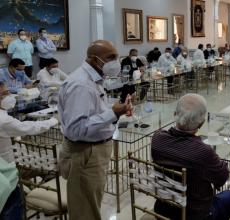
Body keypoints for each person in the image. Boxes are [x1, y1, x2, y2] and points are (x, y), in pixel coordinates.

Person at [58, 40, 132, 220]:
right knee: (85, 210)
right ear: (93, 59)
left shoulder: (94, 78)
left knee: (90, 202)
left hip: (92, 152)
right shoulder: (82, 85)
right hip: (85, 153)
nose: (116, 62)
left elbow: (92, 111)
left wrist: (115, 109)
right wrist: (112, 113)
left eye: (117, 57)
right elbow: (76, 129)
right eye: (111, 57)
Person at [152, 94, 230, 220]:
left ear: (174, 114)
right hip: (194, 214)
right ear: (201, 123)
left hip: (163, 209)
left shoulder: (157, 139)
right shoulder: (203, 152)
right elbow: (222, 178)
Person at [0, 81, 58, 163]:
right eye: (4, 94)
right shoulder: (3, 120)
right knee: (51, 163)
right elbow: (27, 127)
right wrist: (53, 121)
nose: (9, 96)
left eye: (8, 92)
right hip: (8, 164)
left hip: (6, 157)